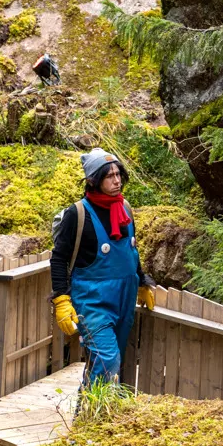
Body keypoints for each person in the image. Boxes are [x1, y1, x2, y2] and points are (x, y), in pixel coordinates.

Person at [50, 148, 156, 389]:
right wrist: (61, 300)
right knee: (108, 359)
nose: (117, 181)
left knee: (104, 362)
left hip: (124, 299)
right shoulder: (77, 214)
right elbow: (58, 259)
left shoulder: (124, 209)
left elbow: (131, 251)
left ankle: (87, 416)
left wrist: (141, 281)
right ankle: (95, 418)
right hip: (93, 301)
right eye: (109, 176)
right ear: (92, 181)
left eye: (118, 174)